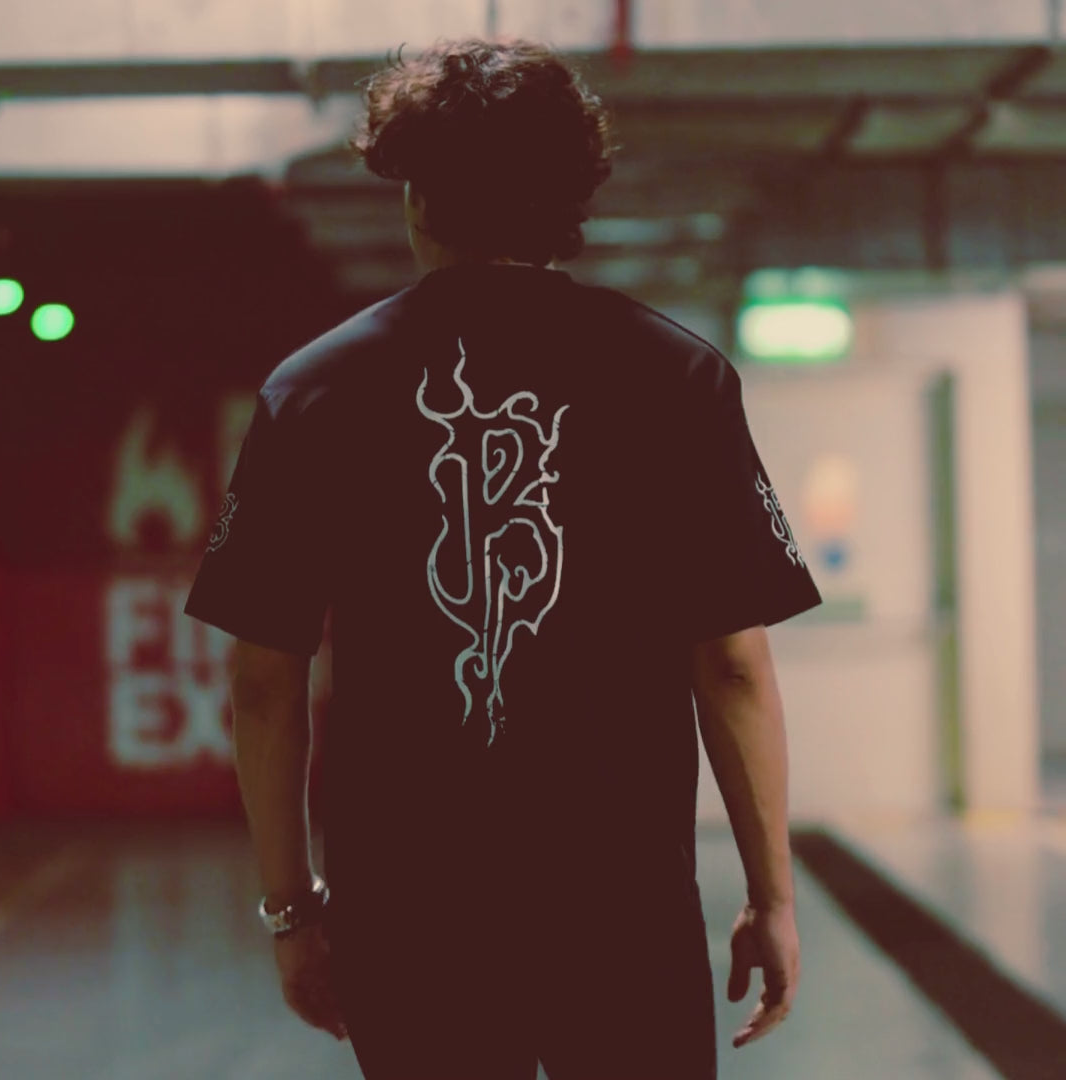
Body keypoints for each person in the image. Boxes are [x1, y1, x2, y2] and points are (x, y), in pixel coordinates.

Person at [183, 36, 822, 1080]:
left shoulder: (314, 391)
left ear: (415, 198)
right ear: (569, 196)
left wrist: (292, 912)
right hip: (621, 902)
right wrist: (772, 897)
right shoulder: (676, 377)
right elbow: (733, 666)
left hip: (408, 908)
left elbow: (264, 682)